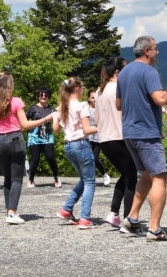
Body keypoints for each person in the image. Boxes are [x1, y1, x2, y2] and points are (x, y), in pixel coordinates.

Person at [116, 36, 167, 242]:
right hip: (147, 133)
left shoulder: (124, 73)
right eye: (156, 49)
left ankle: (132, 218)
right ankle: (155, 229)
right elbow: (161, 99)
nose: (158, 52)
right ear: (147, 51)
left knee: (147, 175)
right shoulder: (149, 72)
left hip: (129, 133)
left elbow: (118, 105)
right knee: (159, 177)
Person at [0, 73, 52, 225]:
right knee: (17, 178)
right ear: (9, 85)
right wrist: (46, 119)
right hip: (15, 139)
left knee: (7, 178)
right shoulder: (16, 101)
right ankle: (12, 212)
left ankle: (9, 210)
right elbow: (25, 125)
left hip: (0, 140)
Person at [95, 56, 137, 230]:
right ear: (118, 72)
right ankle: (128, 221)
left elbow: (96, 119)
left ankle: (113, 213)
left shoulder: (99, 91)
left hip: (104, 140)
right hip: (120, 137)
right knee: (132, 178)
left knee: (125, 175)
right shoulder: (120, 88)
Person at [54, 78, 98, 229]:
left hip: (68, 146)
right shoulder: (81, 106)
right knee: (90, 182)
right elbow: (87, 130)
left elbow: (56, 128)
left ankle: (66, 209)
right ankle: (85, 218)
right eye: (83, 88)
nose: (84, 90)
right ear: (77, 89)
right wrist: (103, 126)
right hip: (81, 144)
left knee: (84, 180)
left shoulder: (63, 106)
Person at [26, 86, 61, 188]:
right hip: (34, 137)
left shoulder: (51, 109)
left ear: (48, 96)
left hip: (47, 136)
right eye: (41, 94)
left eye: (46, 95)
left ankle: (56, 177)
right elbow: (24, 121)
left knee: (50, 156)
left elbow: (58, 120)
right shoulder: (32, 108)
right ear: (38, 96)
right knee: (35, 158)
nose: (43, 96)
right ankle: (31, 179)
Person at [85, 89, 111, 186]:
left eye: (95, 97)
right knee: (87, 158)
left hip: (97, 138)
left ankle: (104, 174)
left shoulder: (101, 108)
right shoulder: (85, 108)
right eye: (92, 98)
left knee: (95, 158)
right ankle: (88, 178)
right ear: (88, 99)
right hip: (87, 137)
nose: (94, 100)